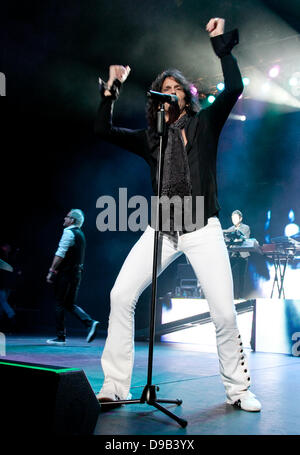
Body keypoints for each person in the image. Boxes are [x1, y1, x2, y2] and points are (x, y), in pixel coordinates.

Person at [95, 18, 261, 412]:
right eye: (163, 90)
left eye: (175, 90)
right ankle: (116, 385)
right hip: (161, 229)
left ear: (186, 97)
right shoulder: (153, 138)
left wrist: (220, 43)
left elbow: (235, 87)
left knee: (222, 312)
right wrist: (111, 89)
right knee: (120, 295)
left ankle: (238, 390)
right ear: (157, 100)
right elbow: (104, 131)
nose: (169, 94)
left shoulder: (205, 125)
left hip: (202, 228)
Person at [46, 209, 99, 345]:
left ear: (72, 220)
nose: (64, 218)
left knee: (59, 303)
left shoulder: (69, 232)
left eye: (67, 217)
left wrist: (52, 270)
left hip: (67, 274)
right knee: (69, 304)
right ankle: (90, 323)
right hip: (77, 274)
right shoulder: (80, 234)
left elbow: (60, 253)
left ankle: (60, 337)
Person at [224, 210, 250, 299]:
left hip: (243, 255)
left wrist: (237, 239)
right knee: (227, 274)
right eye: (232, 218)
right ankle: (228, 296)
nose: (234, 220)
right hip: (233, 255)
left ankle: (240, 296)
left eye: (235, 218)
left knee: (241, 276)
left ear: (240, 218)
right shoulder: (230, 229)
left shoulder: (245, 227)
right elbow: (227, 240)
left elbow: (244, 239)